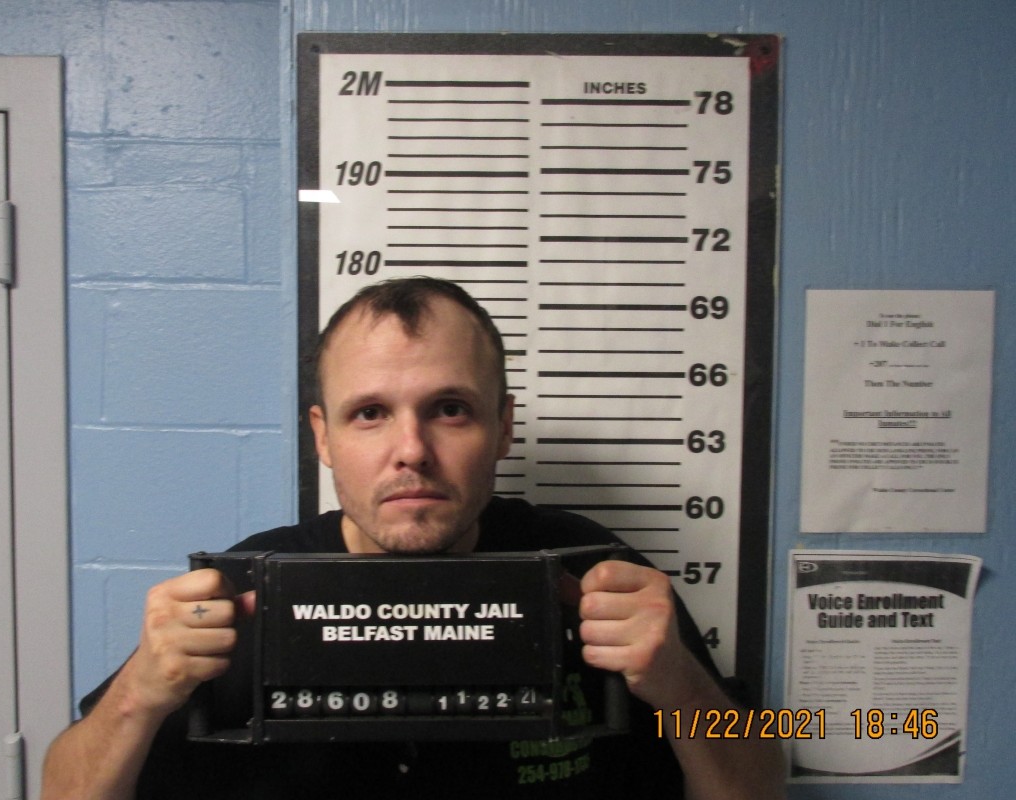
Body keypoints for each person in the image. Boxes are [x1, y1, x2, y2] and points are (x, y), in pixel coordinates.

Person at [42, 277, 785, 799]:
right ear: (323, 437)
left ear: (503, 427)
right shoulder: (240, 597)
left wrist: (679, 683)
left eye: (450, 409)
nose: (412, 451)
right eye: (369, 413)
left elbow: (759, 786)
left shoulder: (596, 576)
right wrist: (137, 696)